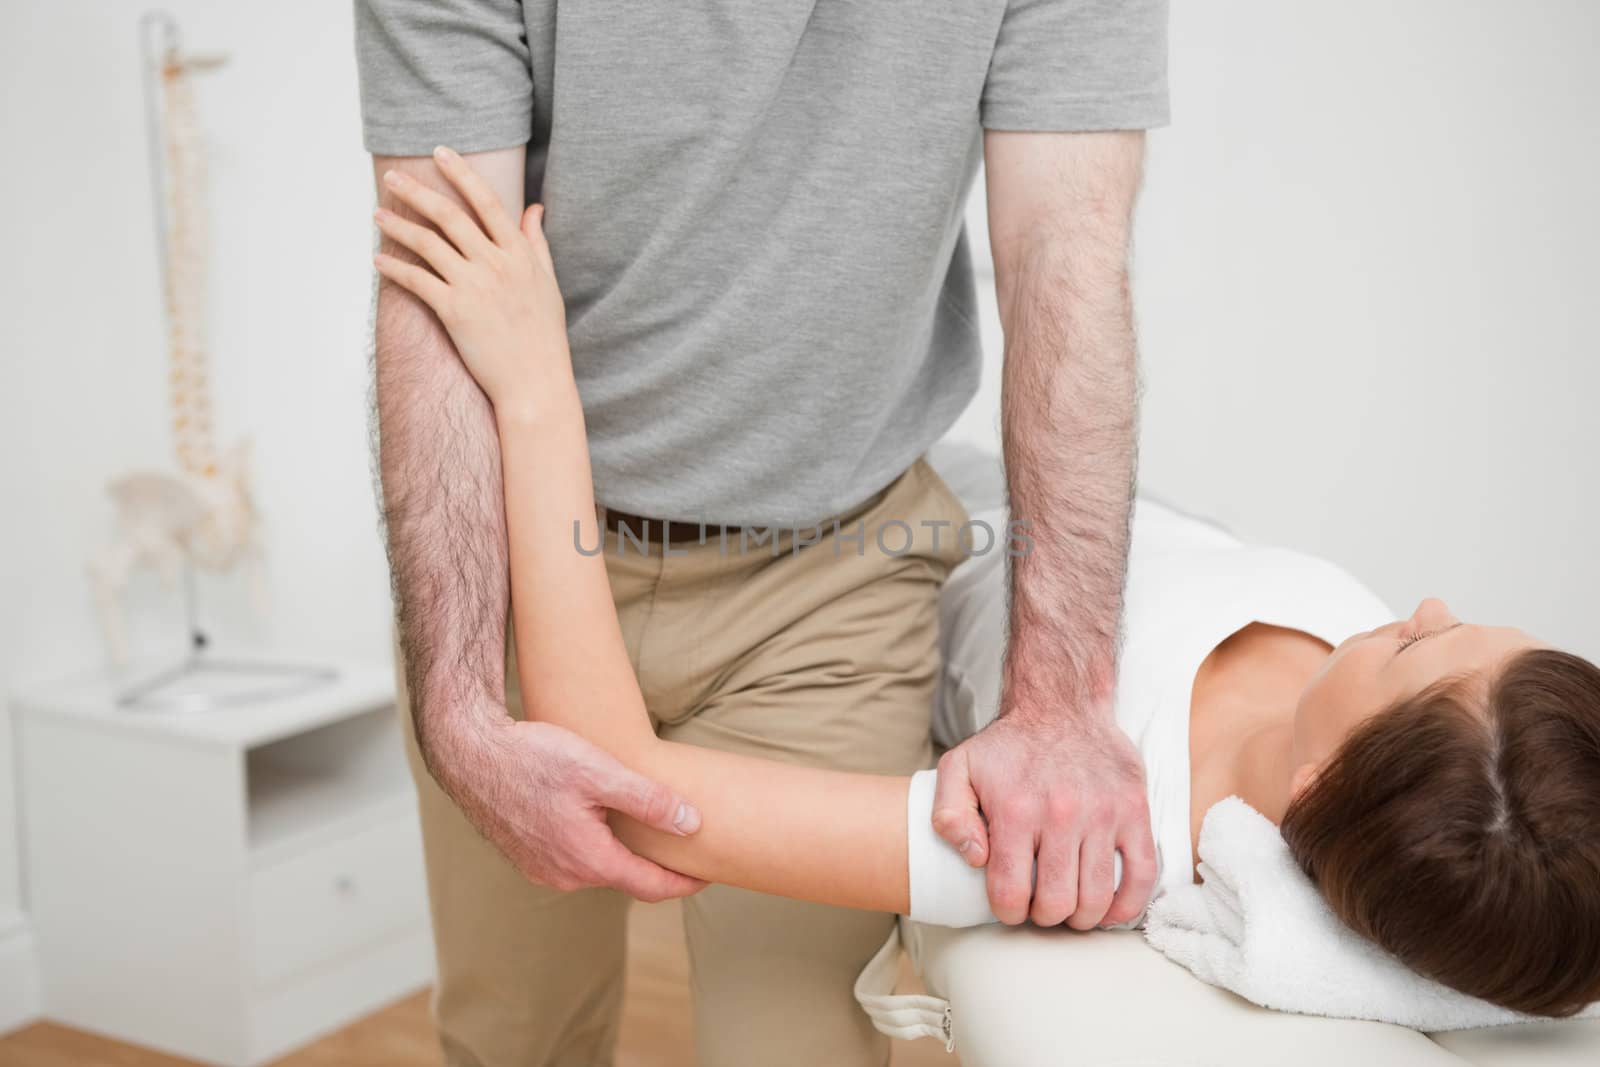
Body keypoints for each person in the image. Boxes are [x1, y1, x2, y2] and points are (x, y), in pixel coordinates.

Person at [372, 157, 1600, 1019]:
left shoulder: (1080, 840)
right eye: (1468, 631)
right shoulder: (1436, 760)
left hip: (837, 559)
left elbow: (622, 793)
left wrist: (535, 382)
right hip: (945, 458)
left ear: (1317, 784)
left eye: (1411, 648)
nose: (1427, 606)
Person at [356, 2, 1170, 1063]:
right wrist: (458, 707)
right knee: (510, 1037)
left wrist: (1059, 699)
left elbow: (1065, 252)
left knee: (800, 1044)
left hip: (831, 581)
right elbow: (435, 277)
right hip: (520, 557)